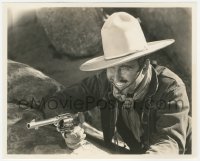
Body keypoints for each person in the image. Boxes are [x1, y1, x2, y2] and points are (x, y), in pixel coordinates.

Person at [43, 12, 191, 154]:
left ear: (145, 67)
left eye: (125, 67)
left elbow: (169, 143)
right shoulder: (104, 81)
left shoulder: (171, 89)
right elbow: (56, 102)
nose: (116, 76)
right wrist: (68, 129)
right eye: (111, 68)